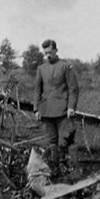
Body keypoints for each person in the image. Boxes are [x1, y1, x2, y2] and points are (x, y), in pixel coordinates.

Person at [34, 39, 80, 169]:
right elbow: (37, 90)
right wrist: (36, 109)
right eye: (45, 53)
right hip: (46, 111)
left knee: (64, 141)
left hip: (63, 111)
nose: (48, 55)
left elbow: (73, 89)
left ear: (56, 50)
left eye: (50, 52)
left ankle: (68, 167)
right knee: (51, 142)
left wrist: (71, 107)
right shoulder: (41, 69)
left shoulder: (65, 66)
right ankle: (55, 168)